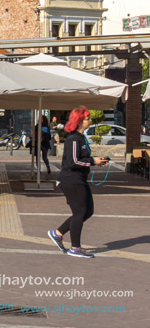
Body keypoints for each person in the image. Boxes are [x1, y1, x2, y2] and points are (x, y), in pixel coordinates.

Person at [48, 107, 109, 259]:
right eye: (87, 118)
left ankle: (57, 233)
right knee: (79, 213)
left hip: (79, 179)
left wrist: (95, 161)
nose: (90, 121)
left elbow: (81, 159)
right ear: (80, 121)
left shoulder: (81, 138)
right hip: (71, 179)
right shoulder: (73, 138)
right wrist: (93, 161)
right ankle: (75, 248)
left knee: (88, 211)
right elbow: (73, 161)